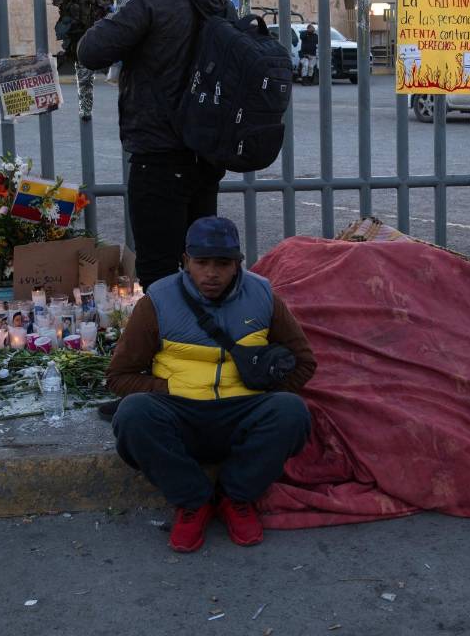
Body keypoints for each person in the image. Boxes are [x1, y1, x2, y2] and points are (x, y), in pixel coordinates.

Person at [107, 216, 316, 552]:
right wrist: (169, 391)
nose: (211, 273)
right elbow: (118, 376)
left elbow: (304, 362)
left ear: (238, 265)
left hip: (241, 414)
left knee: (291, 411)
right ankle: (194, 501)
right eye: (201, 263)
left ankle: (237, 497)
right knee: (133, 414)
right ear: (185, 261)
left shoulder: (263, 295)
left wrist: (260, 395)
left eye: (223, 264)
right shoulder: (157, 301)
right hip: (181, 413)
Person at [77, 0, 236, 290]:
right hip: (206, 154)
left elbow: (91, 50)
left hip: (159, 155)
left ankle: (168, 341)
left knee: (158, 271)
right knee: (200, 263)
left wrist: (117, 14)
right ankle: (200, 339)